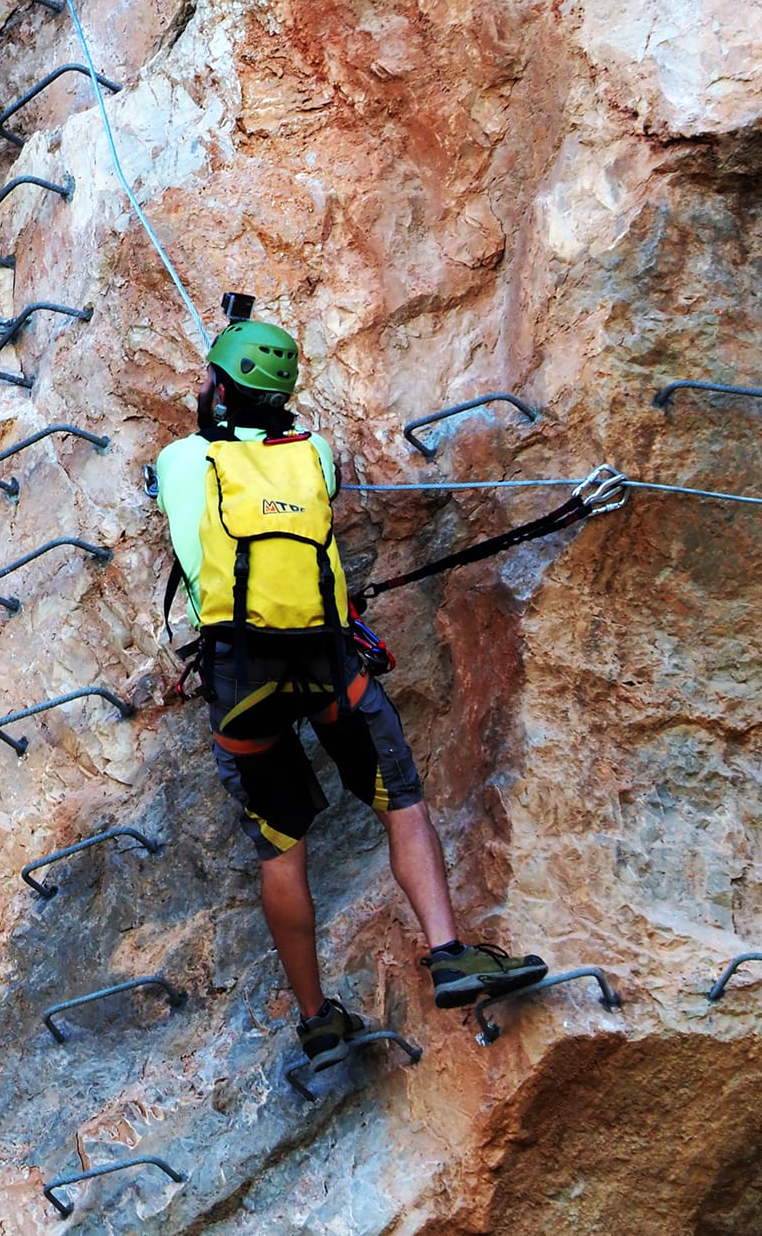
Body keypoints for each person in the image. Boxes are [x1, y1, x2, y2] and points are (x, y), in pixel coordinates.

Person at [150, 300, 548, 1071]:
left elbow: (180, 486)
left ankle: (315, 1018)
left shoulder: (178, 462)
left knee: (281, 841)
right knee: (398, 797)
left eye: (209, 376)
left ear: (219, 391)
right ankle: (449, 952)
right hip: (329, 663)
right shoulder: (316, 456)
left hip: (242, 678)